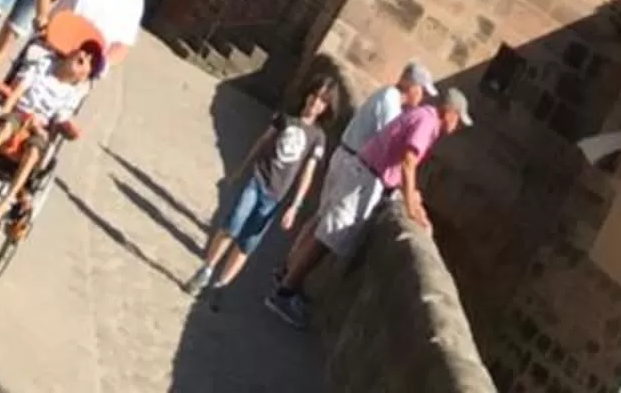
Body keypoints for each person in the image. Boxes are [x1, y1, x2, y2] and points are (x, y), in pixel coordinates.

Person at [267, 69, 468, 329]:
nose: (458, 126)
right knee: (329, 237)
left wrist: (411, 196)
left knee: (325, 232)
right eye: (459, 120)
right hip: (364, 177)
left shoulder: (420, 115)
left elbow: (402, 162)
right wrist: (412, 208)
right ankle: (283, 293)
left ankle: (288, 282)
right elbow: (408, 163)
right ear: (449, 112)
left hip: (364, 173)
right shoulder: (428, 122)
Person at [189, 72, 337, 302]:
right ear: (307, 95)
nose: (315, 103)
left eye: (322, 101)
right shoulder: (285, 118)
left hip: (275, 196)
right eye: (314, 96)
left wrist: (295, 206)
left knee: (248, 242)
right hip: (259, 179)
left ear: (325, 108)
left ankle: (221, 284)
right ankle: (207, 269)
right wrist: (241, 169)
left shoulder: (317, 137)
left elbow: (307, 172)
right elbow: (263, 142)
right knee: (233, 223)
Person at [0, 24, 104, 237]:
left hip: (38, 129)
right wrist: (5, 108)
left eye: (89, 62)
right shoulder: (43, 64)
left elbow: (61, 119)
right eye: (84, 52)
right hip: (19, 115)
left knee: (35, 151)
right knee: (7, 127)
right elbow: (18, 91)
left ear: (84, 77)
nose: (85, 57)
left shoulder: (72, 93)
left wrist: (69, 128)